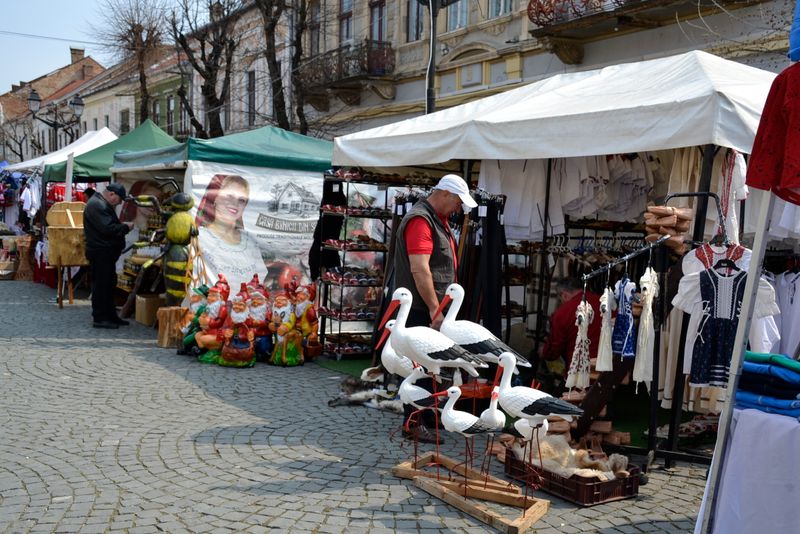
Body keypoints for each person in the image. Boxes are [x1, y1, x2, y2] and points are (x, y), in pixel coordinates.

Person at [393, 174, 478, 444]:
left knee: (431, 367)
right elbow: (420, 269)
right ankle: (413, 422)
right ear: (445, 194)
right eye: (457, 202)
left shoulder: (434, 218)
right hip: (421, 308)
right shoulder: (421, 220)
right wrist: (434, 309)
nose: (458, 208)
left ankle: (426, 415)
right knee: (419, 367)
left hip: (428, 307)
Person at [195, 174, 267, 290]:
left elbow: (261, 283)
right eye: (229, 196)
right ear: (215, 198)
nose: (235, 204)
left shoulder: (249, 242)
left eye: (241, 200)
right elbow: (194, 284)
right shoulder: (199, 237)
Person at [83, 183, 134, 328]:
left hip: (105, 252)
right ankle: (100, 318)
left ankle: (110, 315)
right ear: (112, 194)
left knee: (108, 284)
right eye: (119, 200)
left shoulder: (100, 203)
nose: (119, 203)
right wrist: (125, 227)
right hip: (101, 252)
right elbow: (108, 228)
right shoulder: (97, 205)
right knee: (101, 285)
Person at [540, 278, 602, 388]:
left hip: (578, 373)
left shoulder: (562, 313)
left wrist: (544, 352)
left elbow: (553, 350)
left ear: (564, 295)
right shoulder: (603, 303)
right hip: (606, 370)